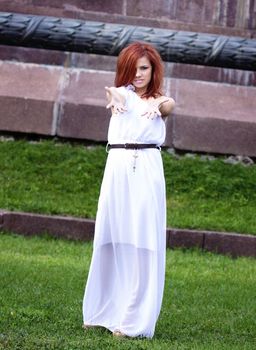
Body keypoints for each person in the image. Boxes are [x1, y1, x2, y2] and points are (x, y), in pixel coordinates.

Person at [82, 41, 175, 339]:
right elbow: (113, 93)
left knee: (142, 239)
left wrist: (156, 105)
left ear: (153, 70)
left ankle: (134, 320)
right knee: (110, 234)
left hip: (146, 166)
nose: (138, 74)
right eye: (133, 68)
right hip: (117, 165)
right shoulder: (122, 94)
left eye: (144, 68)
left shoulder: (159, 100)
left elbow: (168, 105)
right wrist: (114, 97)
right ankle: (103, 311)